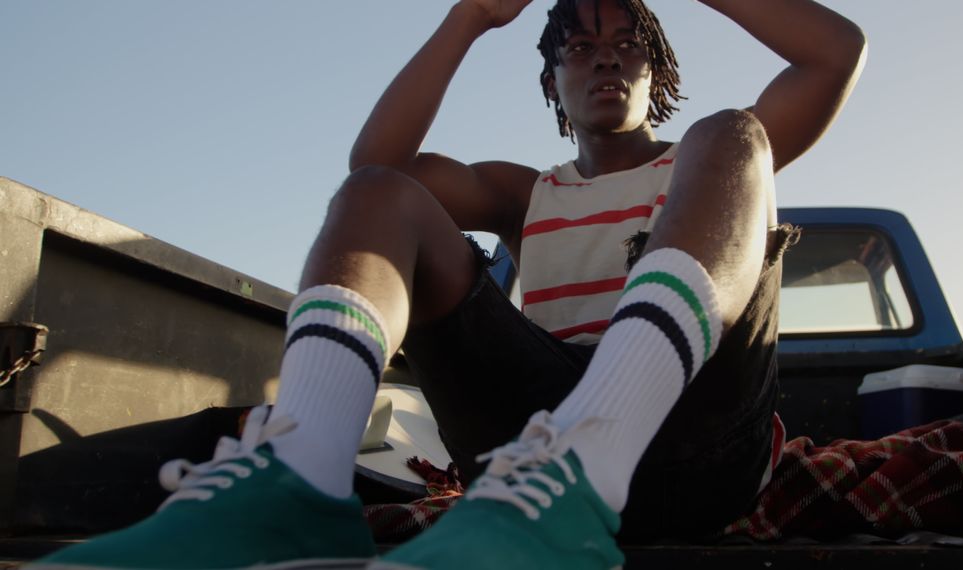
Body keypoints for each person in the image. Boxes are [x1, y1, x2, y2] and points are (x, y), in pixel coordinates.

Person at [31, 0, 865, 568]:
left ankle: (596, 448)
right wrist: (468, 18)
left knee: (735, 132)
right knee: (379, 195)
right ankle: (298, 476)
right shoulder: (525, 193)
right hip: (523, 458)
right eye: (580, 46)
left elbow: (836, 51)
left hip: (694, 448)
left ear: (658, 68)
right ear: (553, 82)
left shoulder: (704, 160)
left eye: (627, 42)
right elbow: (379, 163)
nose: (605, 57)